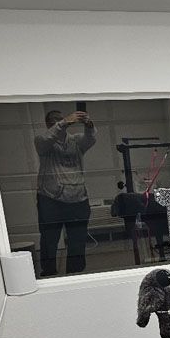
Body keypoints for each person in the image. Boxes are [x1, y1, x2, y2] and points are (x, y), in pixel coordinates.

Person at [34, 107, 97, 276]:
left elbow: (90, 139)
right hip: (50, 199)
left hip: (78, 199)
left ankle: (75, 275)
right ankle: (49, 273)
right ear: (48, 124)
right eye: (54, 119)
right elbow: (45, 140)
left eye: (60, 118)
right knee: (49, 240)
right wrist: (64, 122)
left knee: (77, 240)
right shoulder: (42, 141)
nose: (58, 121)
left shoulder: (75, 140)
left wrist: (89, 126)